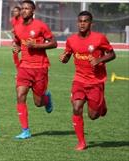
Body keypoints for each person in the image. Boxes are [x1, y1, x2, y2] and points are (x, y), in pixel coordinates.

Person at [59, 11, 116, 150]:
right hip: (78, 80)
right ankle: (81, 142)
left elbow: (112, 54)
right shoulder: (71, 40)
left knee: (93, 116)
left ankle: (101, 106)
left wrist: (99, 60)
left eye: (85, 21)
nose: (82, 24)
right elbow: (67, 56)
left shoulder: (99, 38)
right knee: (76, 107)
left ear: (91, 23)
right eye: (80, 21)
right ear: (77, 23)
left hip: (95, 81)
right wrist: (64, 58)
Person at [12, 0, 57, 139]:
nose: (24, 10)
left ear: (33, 11)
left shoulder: (41, 26)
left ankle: (46, 98)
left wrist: (37, 46)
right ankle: (25, 130)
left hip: (40, 68)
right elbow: (18, 42)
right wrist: (17, 47)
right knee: (20, 96)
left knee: (38, 103)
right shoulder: (17, 27)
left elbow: (54, 43)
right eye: (23, 8)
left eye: (27, 8)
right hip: (24, 67)